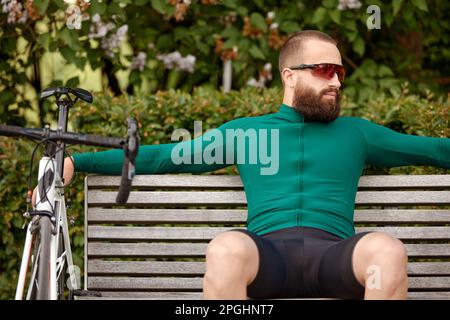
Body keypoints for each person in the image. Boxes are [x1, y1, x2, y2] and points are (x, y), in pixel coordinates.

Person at [33, 30, 450, 300]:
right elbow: (164, 157)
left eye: (340, 72)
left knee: (388, 251)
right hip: (268, 258)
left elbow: (433, 150)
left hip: (335, 258)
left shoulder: (357, 133)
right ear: (289, 75)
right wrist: (75, 160)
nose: (336, 82)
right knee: (226, 248)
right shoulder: (247, 133)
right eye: (325, 70)